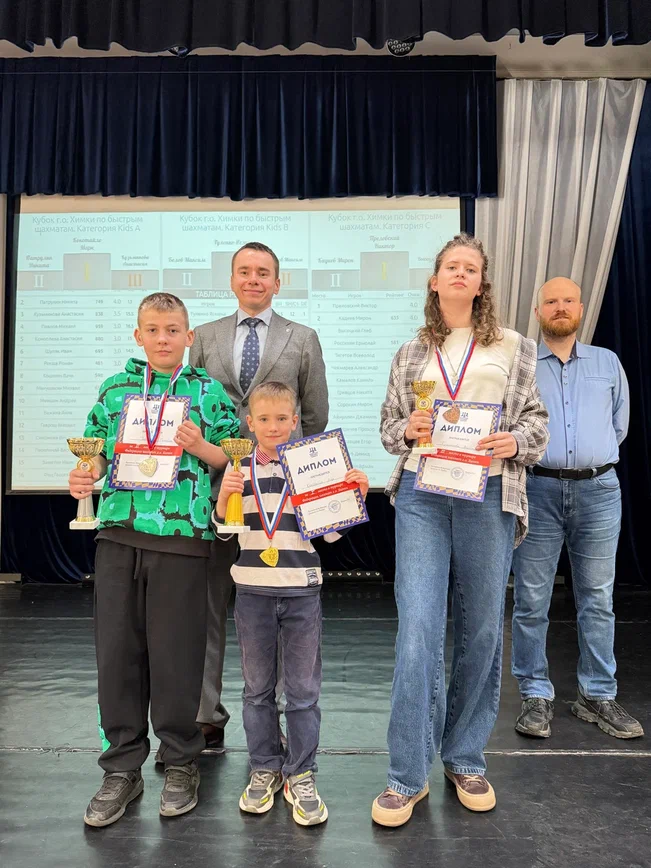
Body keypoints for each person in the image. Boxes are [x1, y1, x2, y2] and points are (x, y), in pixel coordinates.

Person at [371, 233, 549, 828]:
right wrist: (409, 429)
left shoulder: (514, 347)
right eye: (451, 266)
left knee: (481, 630)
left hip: (489, 493)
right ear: (435, 279)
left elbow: (536, 424)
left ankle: (466, 757)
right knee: (418, 630)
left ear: (481, 283)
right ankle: (406, 774)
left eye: (471, 268)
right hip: (423, 493)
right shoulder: (411, 351)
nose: (460, 274)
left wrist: (515, 441)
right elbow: (389, 428)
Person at [68, 292, 240, 827]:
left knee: (177, 657)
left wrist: (201, 446)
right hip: (118, 534)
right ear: (137, 335)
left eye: (172, 330)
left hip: (184, 539)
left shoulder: (208, 391)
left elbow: (234, 456)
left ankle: (181, 761)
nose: (162, 339)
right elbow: (95, 452)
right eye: (152, 329)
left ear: (189, 337)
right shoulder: (114, 390)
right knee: (117, 655)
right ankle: (121, 768)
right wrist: (85, 475)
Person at [190, 242, 328, 750]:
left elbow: (314, 416)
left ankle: (285, 727)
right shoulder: (204, 336)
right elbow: (193, 404)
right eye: (245, 271)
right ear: (232, 279)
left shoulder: (302, 338)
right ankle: (207, 714)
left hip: (280, 498)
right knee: (209, 608)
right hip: (219, 489)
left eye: (263, 272)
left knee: (278, 612)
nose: (254, 279)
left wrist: (292, 473)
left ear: (277, 281)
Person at [213, 381, 368, 826]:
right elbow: (223, 530)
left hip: (301, 592)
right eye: (264, 419)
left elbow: (331, 533)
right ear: (249, 423)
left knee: (302, 692)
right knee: (257, 689)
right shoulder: (239, 470)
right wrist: (224, 496)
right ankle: (264, 767)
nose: (273, 426)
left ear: (295, 421)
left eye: (282, 418)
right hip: (252, 593)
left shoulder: (311, 468)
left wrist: (350, 496)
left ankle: (301, 773)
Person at [511, 277, 643, 740]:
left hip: (599, 490)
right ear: (538, 311)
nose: (560, 307)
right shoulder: (521, 364)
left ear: (581, 309)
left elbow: (619, 426)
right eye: (551, 301)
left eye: (568, 300)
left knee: (598, 599)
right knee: (531, 601)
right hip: (537, 489)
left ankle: (597, 694)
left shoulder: (607, 362)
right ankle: (535, 694)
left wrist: (588, 458)